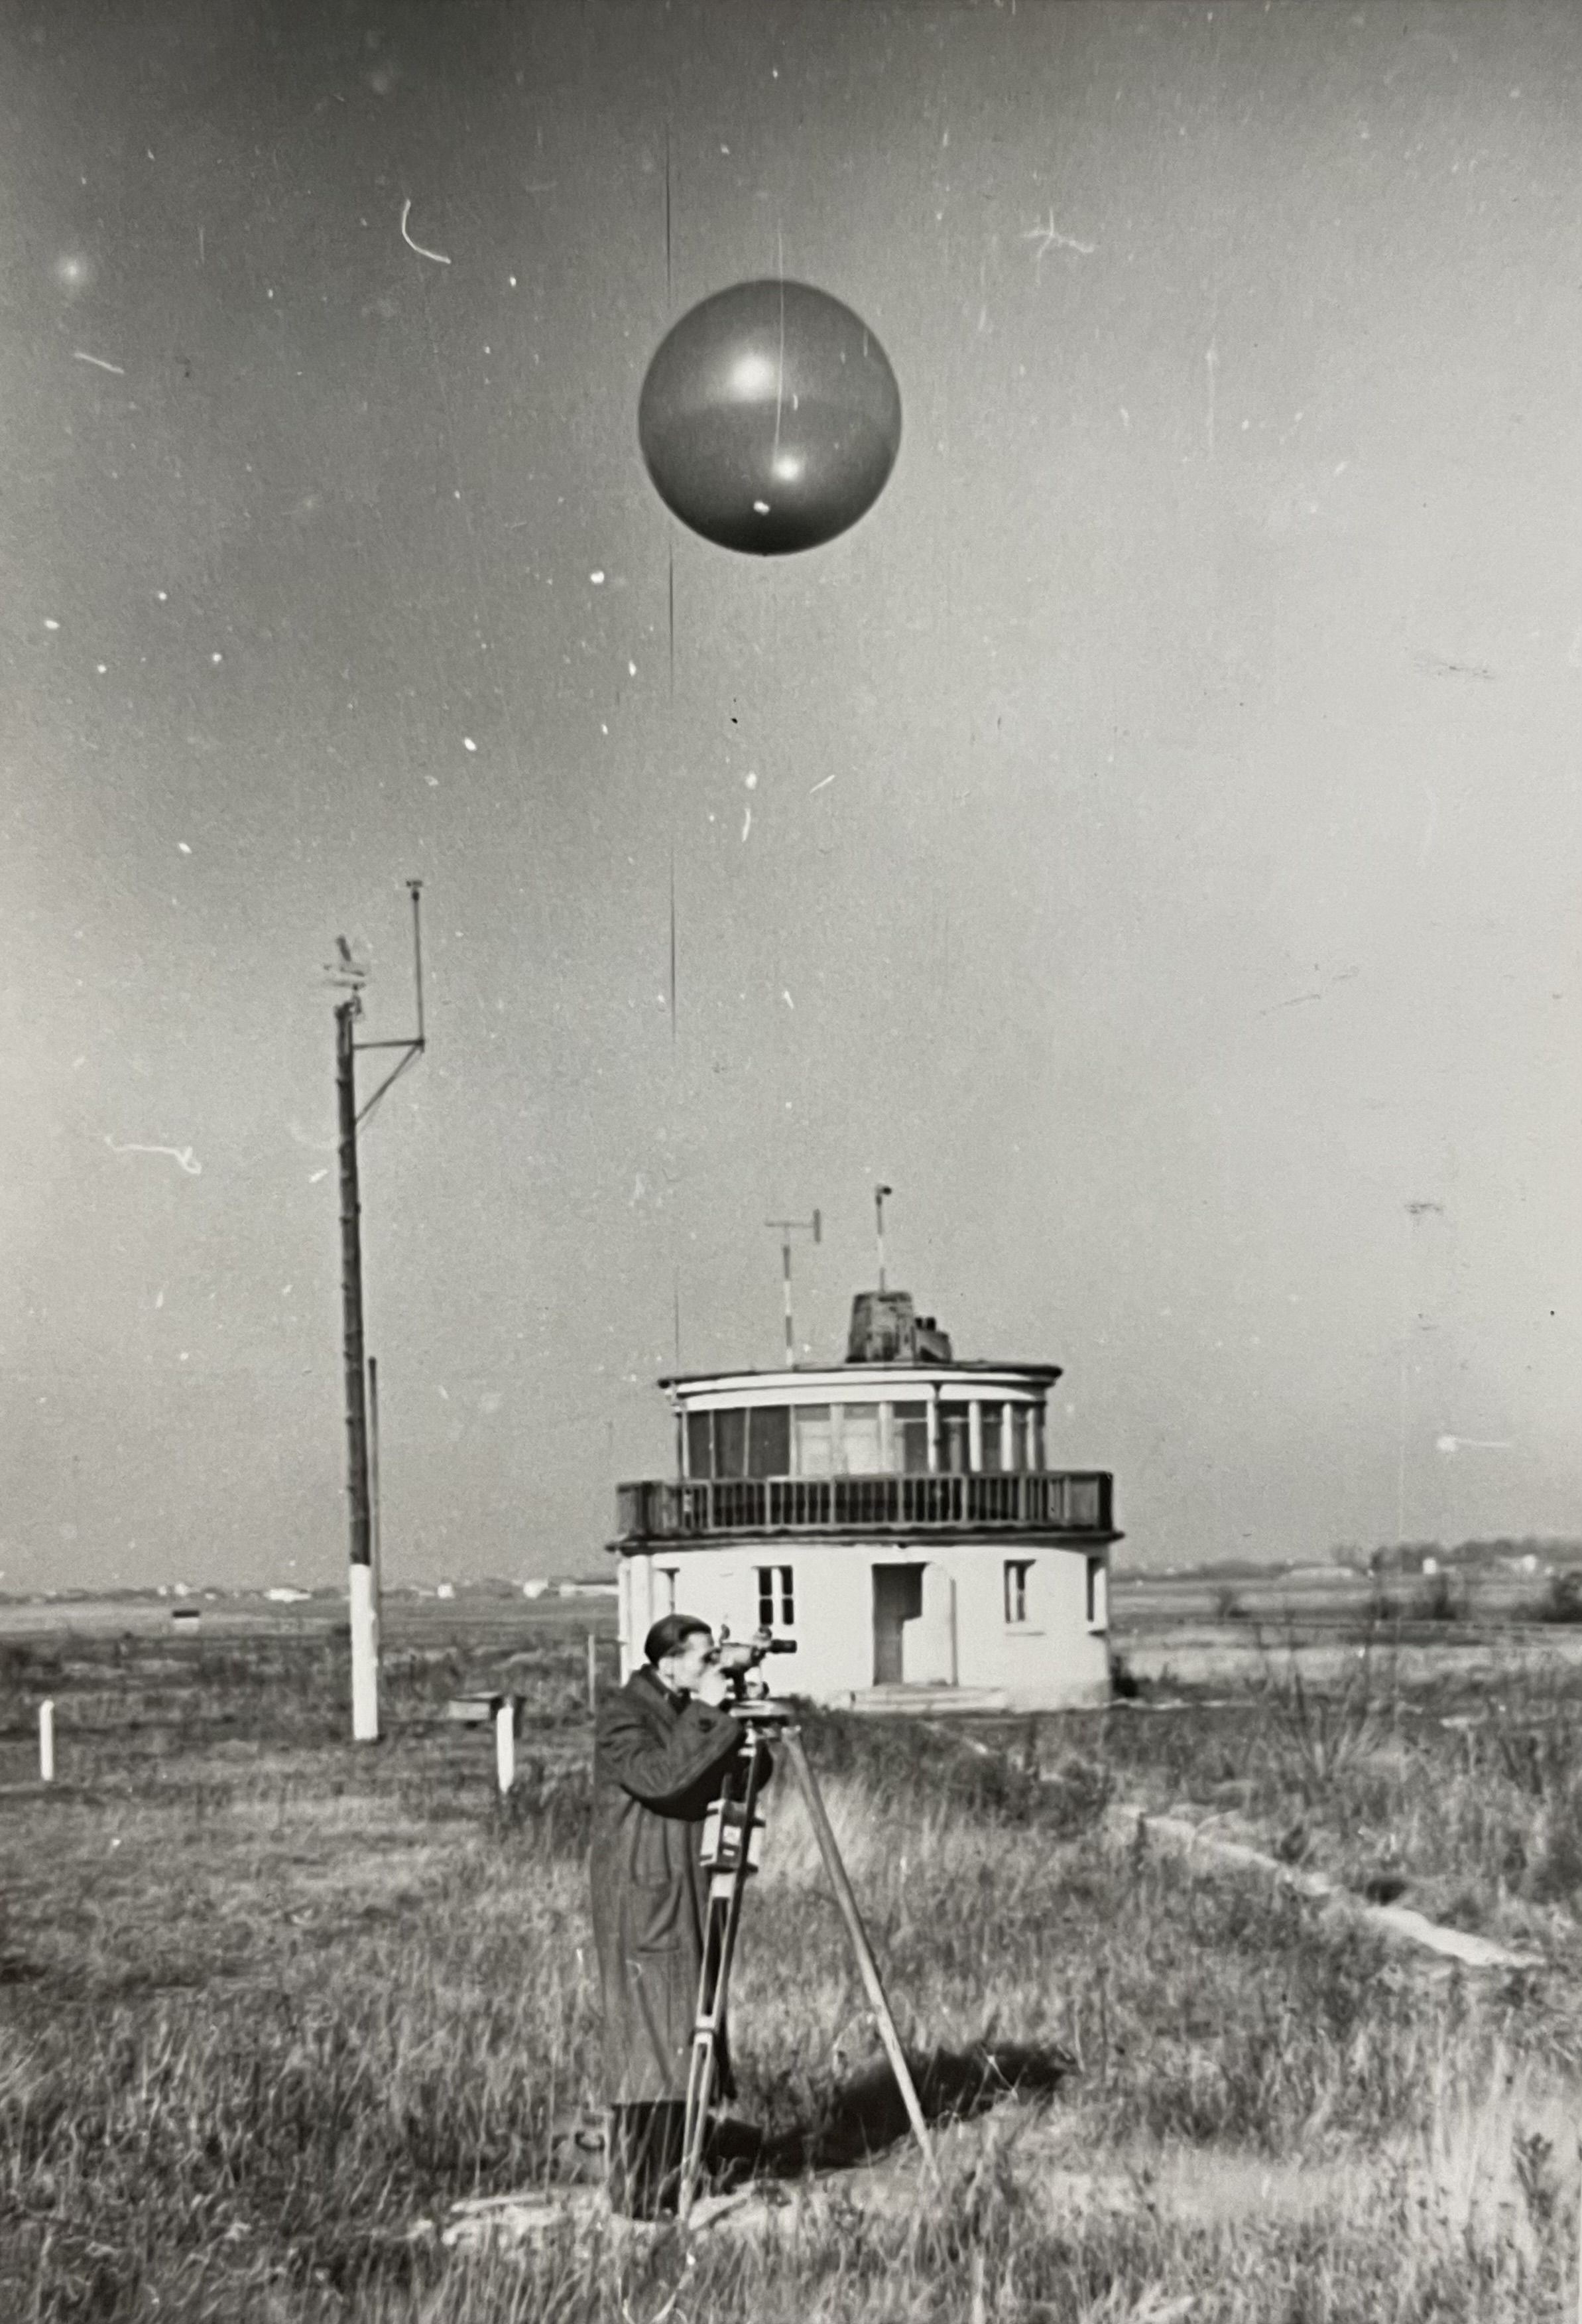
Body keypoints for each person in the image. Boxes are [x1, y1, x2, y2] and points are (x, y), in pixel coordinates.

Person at [590, 1611, 756, 2219]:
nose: (715, 1667)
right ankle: (643, 2190)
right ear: (668, 1665)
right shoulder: (624, 1715)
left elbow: (718, 1778)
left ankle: (688, 2164)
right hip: (644, 1896)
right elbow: (661, 1779)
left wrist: (733, 1719)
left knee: (687, 2026)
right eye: (705, 1658)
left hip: (681, 1884)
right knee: (650, 2037)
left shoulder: (677, 1707)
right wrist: (710, 1714)